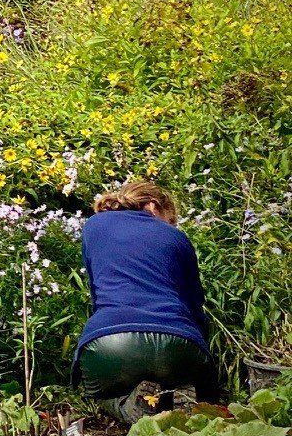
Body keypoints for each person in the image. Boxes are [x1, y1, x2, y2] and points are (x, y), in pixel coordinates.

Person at [73, 179, 218, 423]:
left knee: (97, 394)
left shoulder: (94, 226)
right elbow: (194, 306)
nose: (170, 225)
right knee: (197, 385)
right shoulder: (177, 238)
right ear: (153, 207)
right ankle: (178, 396)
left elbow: (96, 292)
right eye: (170, 218)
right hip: (179, 344)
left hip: (110, 344)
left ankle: (127, 406)